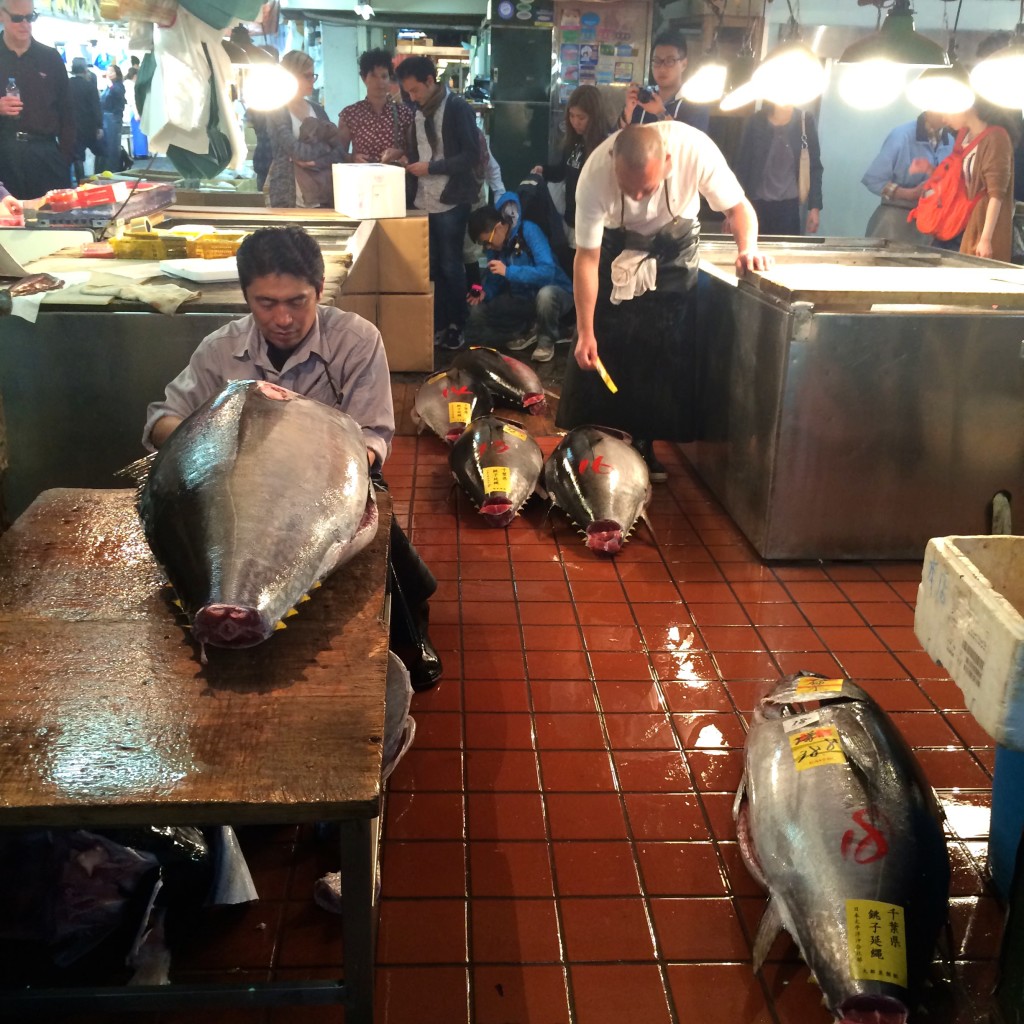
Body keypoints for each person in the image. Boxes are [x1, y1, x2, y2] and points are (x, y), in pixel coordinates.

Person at [143, 225, 442, 690]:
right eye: (266, 303)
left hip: (332, 479)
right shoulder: (221, 348)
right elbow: (163, 419)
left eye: (297, 301)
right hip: (236, 491)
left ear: (319, 291)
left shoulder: (357, 340)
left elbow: (373, 435)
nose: (282, 317)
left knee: (383, 546)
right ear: (246, 297)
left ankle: (411, 628)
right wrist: (210, 434)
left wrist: (330, 471)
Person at [556, 123, 771, 482]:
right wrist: (584, 330)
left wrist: (748, 249)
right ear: (612, 162)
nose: (639, 199)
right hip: (615, 247)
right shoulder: (594, 175)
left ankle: (644, 443)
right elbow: (587, 259)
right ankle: (596, 441)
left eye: (648, 188)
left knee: (663, 348)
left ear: (669, 162)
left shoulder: (695, 149)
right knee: (605, 344)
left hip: (675, 247)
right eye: (629, 189)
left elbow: (738, 208)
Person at [397, 55, 479, 352]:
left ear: (431, 81)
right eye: (408, 93)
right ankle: (440, 323)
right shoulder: (418, 110)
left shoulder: (457, 108)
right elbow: (421, 149)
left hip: (451, 199)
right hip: (423, 199)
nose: (412, 97)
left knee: (451, 265)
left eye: (415, 90)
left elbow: (471, 156)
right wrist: (405, 157)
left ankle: (458, 324)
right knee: (429, 267)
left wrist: (430, 168)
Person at [466, 195, 574, 362]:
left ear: (500, 227)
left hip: (557, 294)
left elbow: (547, 272)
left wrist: (509, 272)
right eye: (483, 245)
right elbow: (495, 279)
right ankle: (530, 329)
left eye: (487, 242)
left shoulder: (529, 231)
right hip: (524, 300)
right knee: (478, 312)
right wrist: (485, 293)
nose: (487, 247)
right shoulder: (496, 249)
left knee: (545, 295)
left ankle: (546, 340)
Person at [0, 0, 74, 198]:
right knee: (7, 223)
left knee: (53, 221)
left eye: (30, 17)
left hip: (46, 154)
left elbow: (68, 112)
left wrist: (64, 158)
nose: (25, 24)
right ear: (1, 15)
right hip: (4, 153)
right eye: (17, 18)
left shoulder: (50, 58)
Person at [265, 50, 345, 208]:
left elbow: (339, 152)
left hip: (320, 193)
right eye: (306, 76)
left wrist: (315, 160)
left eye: (313, 76)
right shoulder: (276, 110)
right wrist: (325, 148)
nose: (312, 81)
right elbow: (296, 151)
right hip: (288, 195)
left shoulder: (317, 110)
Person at [532, 84, 609, 244]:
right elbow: (562, 172)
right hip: (570, 219)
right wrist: (544, 170)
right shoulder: (574, 141)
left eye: (581, 118)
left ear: (595, 117)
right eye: (572, 116)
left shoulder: (604, 146)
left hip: (592, 225)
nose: (575, 122)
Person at [861, 112, 953, 244]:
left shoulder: (950, 141)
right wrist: (909, 194)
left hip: (931, 224)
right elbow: (874, 180)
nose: (948, 115)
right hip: (894, 221)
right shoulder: (901, 135)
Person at [943, 99, 1017, 262]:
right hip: (964, 222)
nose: (944, 118)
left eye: (948, 110)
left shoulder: (997, 137)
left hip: (984, 225)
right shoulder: (964, 136)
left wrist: (986, 239)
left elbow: (996, 193)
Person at [734, 102, 823, 235]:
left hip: (789, 208)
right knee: (752, 253)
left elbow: (814, 166)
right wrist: (733, 209)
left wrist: (814, 208)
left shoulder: (804, 121)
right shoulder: (756, 121)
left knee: (787, 254)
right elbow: (742, 166)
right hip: (755, 205)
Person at [619, 31, 711, 134]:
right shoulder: (644, 97)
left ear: (684, 64)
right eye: (657, 61)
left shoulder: (696, 103)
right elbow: (614, 140)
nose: (662, 68)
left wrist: (660, 113)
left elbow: (692, 144)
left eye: (670, 61)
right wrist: (628, 111)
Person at [338, 48, 413, 164]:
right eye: (373, 76)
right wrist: (352, 158)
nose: (380, 82)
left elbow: (415, 151)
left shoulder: (404, 113)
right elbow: (338, 153)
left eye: (384, 76)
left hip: (395, 179)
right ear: (364, 78)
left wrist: (400, 153)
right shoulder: (350, 114)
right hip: (361, 178)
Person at [67, 57, 102, 184]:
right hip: (89, 125)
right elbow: (96, 107)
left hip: (71, 125)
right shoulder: (89, 86)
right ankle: (97, 179)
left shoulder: (66, 84)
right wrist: (99, 126)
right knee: (101, 151)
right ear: (85, 69)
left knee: (77, 156)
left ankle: (80, 182)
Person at [96, 63, 125, 173]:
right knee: (106, 145)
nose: (109, 73)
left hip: (113, 118)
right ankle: (105, 169)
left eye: (111, 71)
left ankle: (113, 169)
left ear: (117, 74)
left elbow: (117, 94)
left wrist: (109, 83)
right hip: (105, 118)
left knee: (112, 145)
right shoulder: (108, 87)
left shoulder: (118, 86)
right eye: (108, 71)